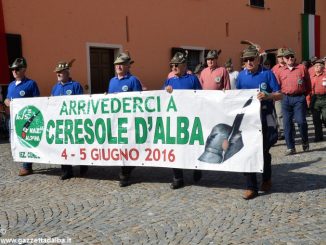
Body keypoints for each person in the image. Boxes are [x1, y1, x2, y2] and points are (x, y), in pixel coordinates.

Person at [237, 45, 282, 200]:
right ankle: (251, 187)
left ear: (258, 59)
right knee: (248, 151)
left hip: (265, 118)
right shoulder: (241, 76)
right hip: (248, 120)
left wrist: (268, 96)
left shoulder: (267, 74)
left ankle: (266, 178)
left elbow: (279, 94)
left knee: (263, 152)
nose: (249, 62)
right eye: (246, 60)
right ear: (243, 62)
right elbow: (237, 96)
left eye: (252, 59)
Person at [163, 51, 202, 189]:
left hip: (190, 119)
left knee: (192, 147)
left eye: (176, 65)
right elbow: (162, 100)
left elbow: (201, 97)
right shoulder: (170, 81)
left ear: (184, 65)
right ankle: (177, 178)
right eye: (172, 65)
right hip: (175, 120)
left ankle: (197, 168)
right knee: (175, 148)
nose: (173, 67)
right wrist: (165, 91)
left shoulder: (192, 79)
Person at [107, 52, 142, 187]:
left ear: (128, 66)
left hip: (129, 120)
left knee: (127, 145)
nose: (118, 66)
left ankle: (125, 173)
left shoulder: (133, 81)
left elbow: (139, 100)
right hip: (116, 120)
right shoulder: (112, 81)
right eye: (117, 64)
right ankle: (126, 168)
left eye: (121, 64)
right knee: (119, 145)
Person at [51, 60, 88, 180]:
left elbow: (81, 103)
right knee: (63, 146)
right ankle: (67, 170)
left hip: (74, 122)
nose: (58, 74)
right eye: (57, 73)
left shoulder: (75, 85)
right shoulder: (55, 88)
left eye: (60, 72)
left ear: (67, 72)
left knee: (77, 145)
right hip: (61, 124)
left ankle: (83, 166)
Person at [5, 57, 40, 176]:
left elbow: (36, 101)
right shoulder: (10, 85)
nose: (14, 71)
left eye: (17, 69)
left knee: (25, 140)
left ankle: (27, 166)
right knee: (14, 140)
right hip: (13, 118)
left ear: (23, 70)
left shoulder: (31, 84)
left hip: (26, 120)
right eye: (12, 69)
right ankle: (23, 162)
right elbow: (7, 99)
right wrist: (7, 102)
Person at [276, 48, 311, 155]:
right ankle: (290, 147)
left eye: (291, 56)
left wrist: (307, 97)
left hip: (299, 98)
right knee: (287, 124)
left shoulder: (302, 68)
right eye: (287, 57)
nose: (290, 58)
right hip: (285, 98)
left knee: (301, 121)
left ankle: (305, 141)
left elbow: (308, 84)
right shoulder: (280, 71)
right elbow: (277, 85)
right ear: (284, 59)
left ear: (294, 57)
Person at [309, 58, 326, 142]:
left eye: (319, 66)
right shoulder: (311, 77)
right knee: (316, 119)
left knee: (325, 117)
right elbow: (308, 90)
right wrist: (308, 101)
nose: (317, 67)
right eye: (316, 66)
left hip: (324, 99)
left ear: (323, 67)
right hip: (314, 99)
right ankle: (318, 136)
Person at [272, 48, 287, 140]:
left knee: (288, 113)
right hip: (277, 93)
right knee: (279, 113)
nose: (281, 58)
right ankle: (281, 131)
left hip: (287, 93)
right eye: (279, 57)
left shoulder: (289, 66)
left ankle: (290, 129)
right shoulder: (274, 68)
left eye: (282, 56)